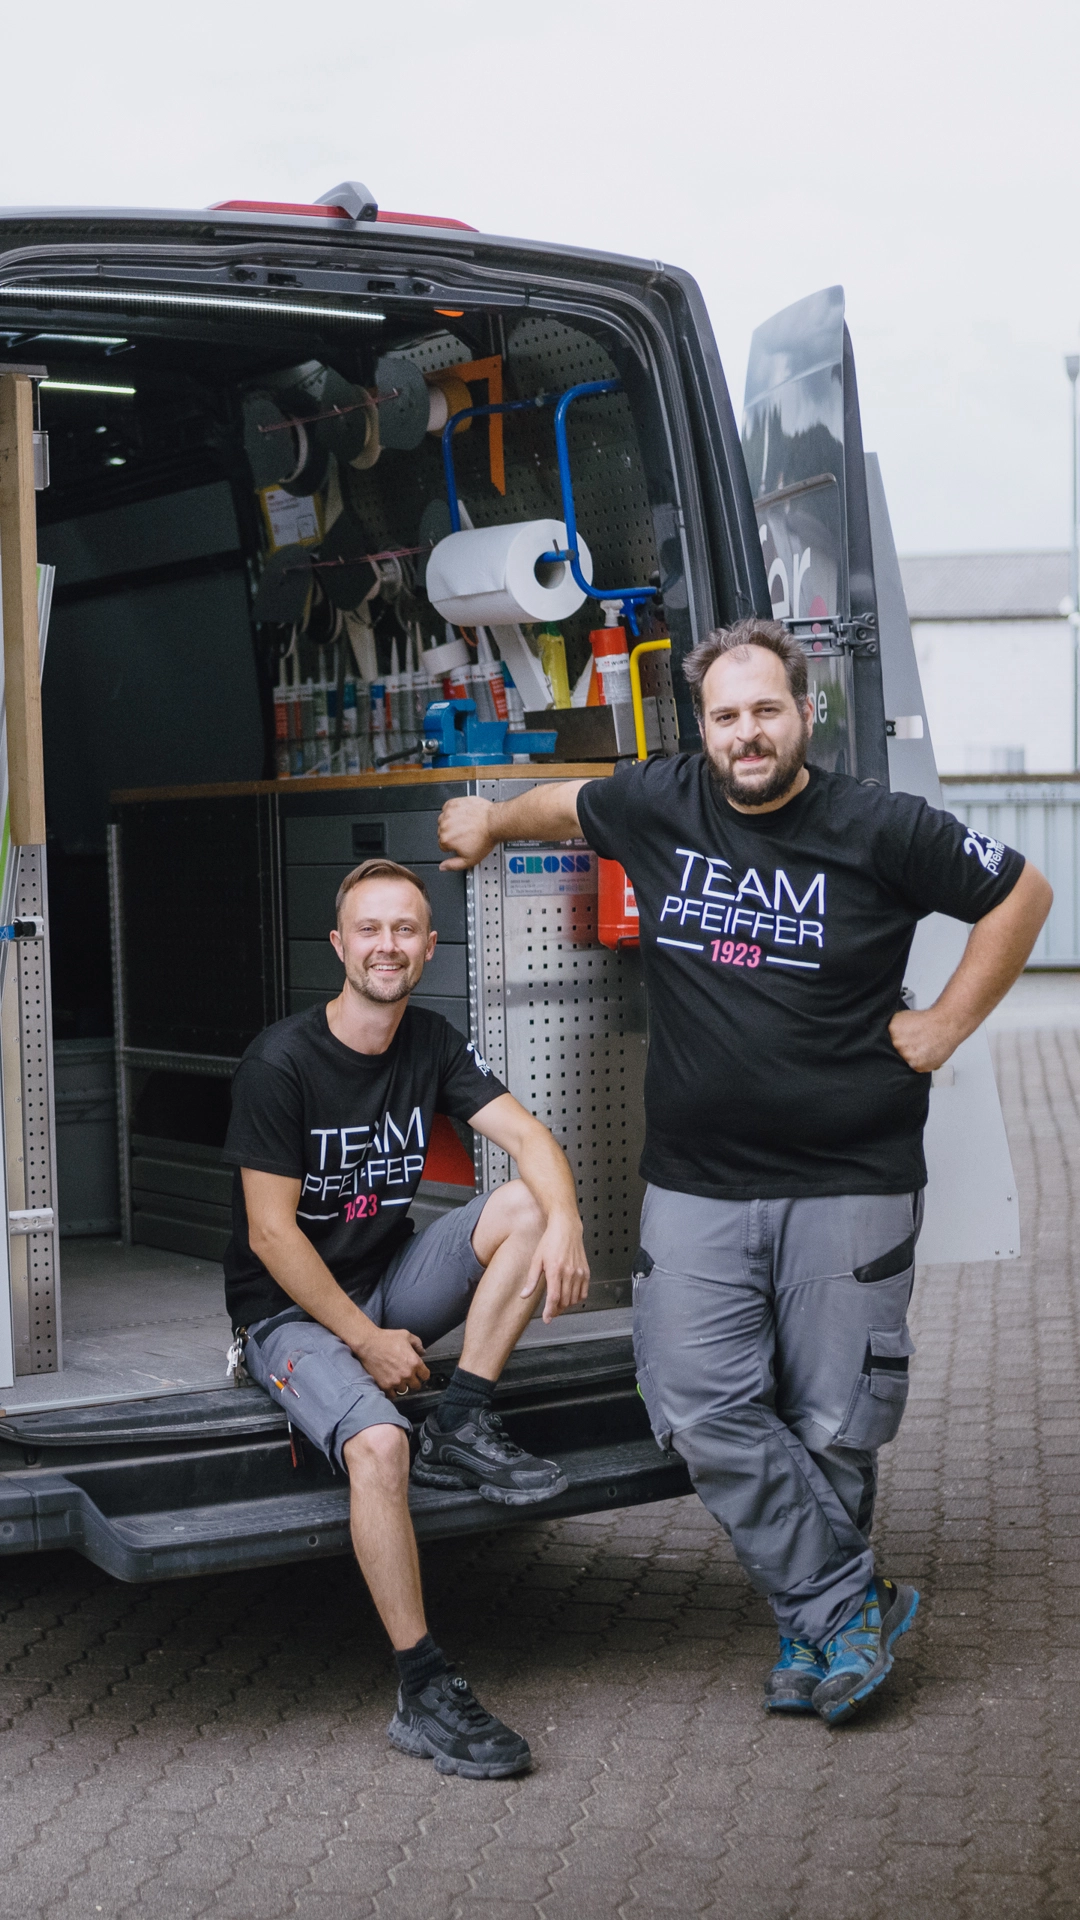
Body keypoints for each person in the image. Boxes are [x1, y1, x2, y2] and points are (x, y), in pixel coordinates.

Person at [437, 618, 1052, 1726]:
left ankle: (815, 1634)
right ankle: (847, 1600)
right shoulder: (659, 801)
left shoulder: (880, 823)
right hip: (697, 1181)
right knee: (694, 1400)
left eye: (766, 710)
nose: (746, 733)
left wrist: (947, 1025)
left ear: (804, 714)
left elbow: (1022, 895)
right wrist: (487, 821)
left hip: (849, 1177)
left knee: (834, 1419)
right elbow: (564, 805)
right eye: (725, 715)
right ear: (703, 728)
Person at [223, 856, 590, 1778]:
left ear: (429, 947)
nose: (388, 946)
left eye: (406, 930)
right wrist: (365, 1339)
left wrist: (571, 1227)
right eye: (370, 930)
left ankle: (465, 1418)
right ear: (339, 945)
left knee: (527, 1207)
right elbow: (270, 1237)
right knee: (381, 1446)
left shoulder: (430, 1040)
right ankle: (422, 1688)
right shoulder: (281, 1061)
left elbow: (529, 1140)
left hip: (386, 1285)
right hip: (289, 1319)